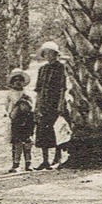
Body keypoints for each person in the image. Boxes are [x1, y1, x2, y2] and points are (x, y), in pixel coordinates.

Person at [33, 40, 68, 169]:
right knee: (43, 131)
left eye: (51, 53)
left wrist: (61, 104)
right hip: (44, 102)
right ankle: (45, 160)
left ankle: (57, 157)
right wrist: (37, 105)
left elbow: (63, 87)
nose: (48, 55)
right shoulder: (43, 69)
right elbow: (39, 88)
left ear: (55, 54)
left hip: (56, 102)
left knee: (57, 130)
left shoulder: (61, 68)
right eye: (46, 53)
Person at [5, 69, 35, 173]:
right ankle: (16, 164)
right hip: (16, 119)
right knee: (16, 141)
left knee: (27, 141)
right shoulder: (10, 94)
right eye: (15, 81)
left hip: (27, 118)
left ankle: (28, 163)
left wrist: (26, 101)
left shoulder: (27, 93)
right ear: (12, 83)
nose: (18, 82)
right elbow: (7, 107)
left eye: (20, 80)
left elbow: (32, 106)